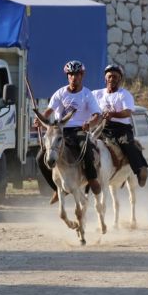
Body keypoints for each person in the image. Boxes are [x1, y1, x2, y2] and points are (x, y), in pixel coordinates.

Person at [35, 60, 103, 203]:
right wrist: (40, 119)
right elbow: (49, 110)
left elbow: (97, 114)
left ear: (82, 75)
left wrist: (89, 123)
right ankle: (56, 188)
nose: (74, 77)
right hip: (60, 130)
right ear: (67, 76)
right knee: (41, 156)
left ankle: (92, 179)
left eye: (77, 74)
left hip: (79, 130)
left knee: (87, 149)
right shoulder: (60, 93)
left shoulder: (87, 94)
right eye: (71, 74)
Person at [92, 64, 148, 187]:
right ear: (105, 79)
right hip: (102, 128)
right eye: (110, 76)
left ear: (120, 79)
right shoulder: (96, 94)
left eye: (115, 77)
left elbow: (127, 112)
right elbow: (85, 104)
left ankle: (140, 169)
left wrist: (113, 114)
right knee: (87, 142)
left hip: (121, 129)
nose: (112, 79)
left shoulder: (124, 95)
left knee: (127, 144)